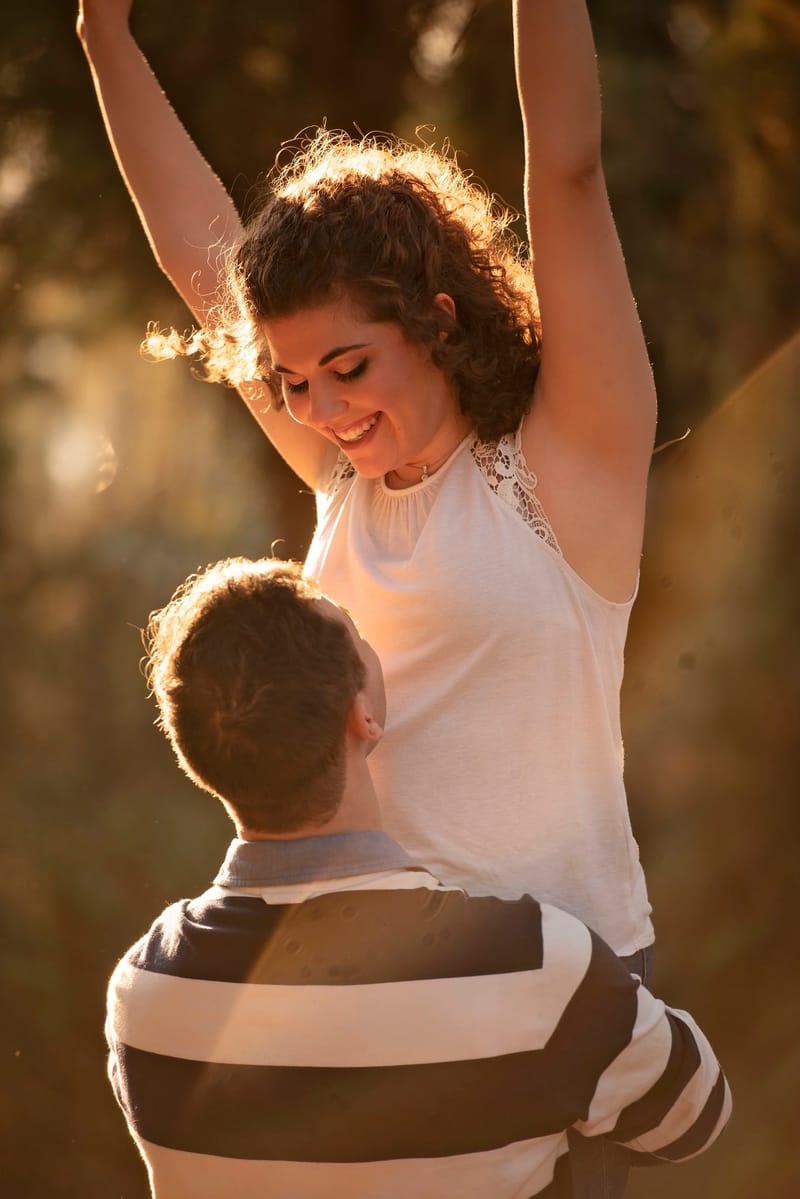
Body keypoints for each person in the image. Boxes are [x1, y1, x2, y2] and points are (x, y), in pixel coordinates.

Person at [106, 555, 731, 1199]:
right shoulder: (536, 967)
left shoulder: (144, 992)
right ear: (362, 716)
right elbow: (698, 1115)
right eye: (355, 628)